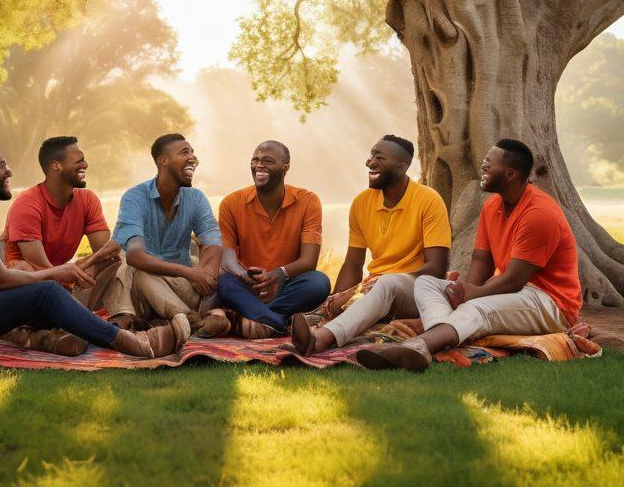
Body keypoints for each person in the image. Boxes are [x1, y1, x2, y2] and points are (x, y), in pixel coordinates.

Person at [0, 139, 188, 358]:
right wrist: (54, 274)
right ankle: (129, 342)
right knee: (45, 289)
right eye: (2, 165)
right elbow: (2, 278)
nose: (9, 171)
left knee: (41, 290)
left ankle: (52, 335)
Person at [356, 138, 582, 371]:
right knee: (426, 283)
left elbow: (515, 280)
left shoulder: (539, 213)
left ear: (510, 174)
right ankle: (439, 338)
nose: (482, 167)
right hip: (512, 291)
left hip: (550, 302)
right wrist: (462, 291)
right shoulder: (491, 206)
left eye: (488, 164)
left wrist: (475, 295)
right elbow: (481, 261)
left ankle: (420, 345)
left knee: (477, 309)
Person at [291, 135, 450, 356]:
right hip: (373, 288)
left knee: (388, 282)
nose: (370, 162)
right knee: (322, 311)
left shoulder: (428, 200)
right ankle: (324, 328)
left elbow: (436, 268)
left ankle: (321, 338)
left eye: (379, 157)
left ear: (402, 165)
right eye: (371, 155)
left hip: (416, 288)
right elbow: (353, 264)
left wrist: (371, 285)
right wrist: (336, 300)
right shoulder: (362, 203)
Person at [3, 135, 136, 329]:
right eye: (79, 159)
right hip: (32, 291)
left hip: (65, 285)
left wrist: (92, 264)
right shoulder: (27, 204)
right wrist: (86, 267)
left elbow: (107, 252)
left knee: (124, 255)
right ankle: (91, 326)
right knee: (28, 270)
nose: (86, 164)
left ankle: (122, 320)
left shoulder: (87, 199)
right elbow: (42, 270)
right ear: (56, 165)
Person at [114, 133, 228, 334]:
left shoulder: (196, 198)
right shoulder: (134, 197)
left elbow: (213, 243)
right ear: (163, 160)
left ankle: (175, 321)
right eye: (185, 152)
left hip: (182, 287)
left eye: (193, 153)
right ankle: (193, 322)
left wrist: (206, 275)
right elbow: (135, 256)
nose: (193, 158)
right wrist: (190, 272)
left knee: (150, 276)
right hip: (144, 291)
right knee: (142, 274)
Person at [216, 141, 331, 337]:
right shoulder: (231, 203)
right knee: (224, 283)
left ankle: (250, 317)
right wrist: (244, 275)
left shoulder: (308, 201)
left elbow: (309, 261)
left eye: (268, 161)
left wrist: (279, 274)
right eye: (255, 160)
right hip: (247, 284)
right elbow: (227, 260)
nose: (259, 165)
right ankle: (277, 321)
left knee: (319, 282)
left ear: (285, 168)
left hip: (287, 284)